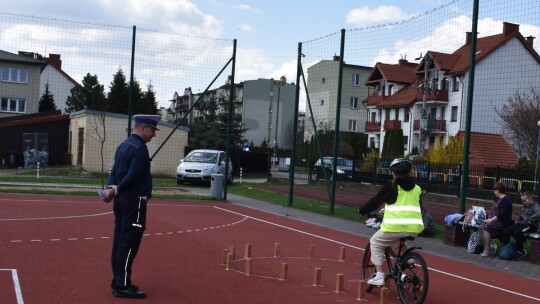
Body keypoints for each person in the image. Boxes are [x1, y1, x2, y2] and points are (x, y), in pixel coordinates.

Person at [107, 114, 160, 298]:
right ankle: (123, 285)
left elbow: (114, 171)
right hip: (134, 201)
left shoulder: (123, 146)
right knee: (129, 243)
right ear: (144, 127)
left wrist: (111, 188)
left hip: (121, 201)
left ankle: (118, 281)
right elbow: (133, 176)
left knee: (120, 241)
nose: (153, 135)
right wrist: (118, 189)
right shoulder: (139, 149)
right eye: (152, 130)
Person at [358, 158, 424, 286]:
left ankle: (379, 276)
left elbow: (376, 200)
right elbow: (411, 205)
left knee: (375, 242)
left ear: (394, 172)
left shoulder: (392, 185)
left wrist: (363, 210)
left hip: (394, 227)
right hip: (414, 227)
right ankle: (408, 259)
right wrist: (386, 209)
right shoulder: (417, 188)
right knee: (399, 239)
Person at [500, 191, 540, 259]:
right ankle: (506, 249)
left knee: (517, 233)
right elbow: (523, 216)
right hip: (522, 224)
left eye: (525, 200)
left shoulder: (536, 206)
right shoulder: (525, 206)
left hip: (530, 226)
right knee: (506, 231)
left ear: (530, 199)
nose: (523, 202)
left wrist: (531, 218)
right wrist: (520, 217)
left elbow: (539, 213)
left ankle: (521, 252)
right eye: (522, 201)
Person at [479, 182, 513, 257]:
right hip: (494, 221)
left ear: (498, 190)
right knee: (481, 227)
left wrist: (490, 221)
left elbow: (501, 215)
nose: (494, 192)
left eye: (495, 190)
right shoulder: (497, 199)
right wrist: (489, 219)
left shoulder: (506, 200)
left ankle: (488, 249)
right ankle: (485, 248)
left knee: (485, 228)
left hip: (501, 223)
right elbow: (493, 212)